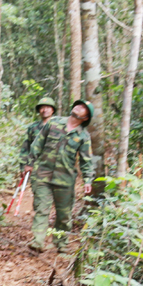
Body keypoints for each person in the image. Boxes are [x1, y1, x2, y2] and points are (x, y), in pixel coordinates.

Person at [26, 99, 95, 255]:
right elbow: (38, 143)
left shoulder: (83, 136)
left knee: (64, 214)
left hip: (65, 180)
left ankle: (61, 243)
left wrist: (88, 180)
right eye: (78, 104)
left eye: (83, 108)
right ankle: (37, 241)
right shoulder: (53, 123)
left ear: (85, 117)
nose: (79, 107)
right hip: (43, 175)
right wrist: (29, 162)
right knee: (41, 209)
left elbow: (86, 160)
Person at [19, 96, 56, 177]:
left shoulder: (58, 127)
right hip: (36, 167)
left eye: (47, 107)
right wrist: (23, 166)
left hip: (55, 167)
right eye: (42, 108)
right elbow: (26, 148)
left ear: (52, 110)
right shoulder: (33, 127)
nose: (45, 110)